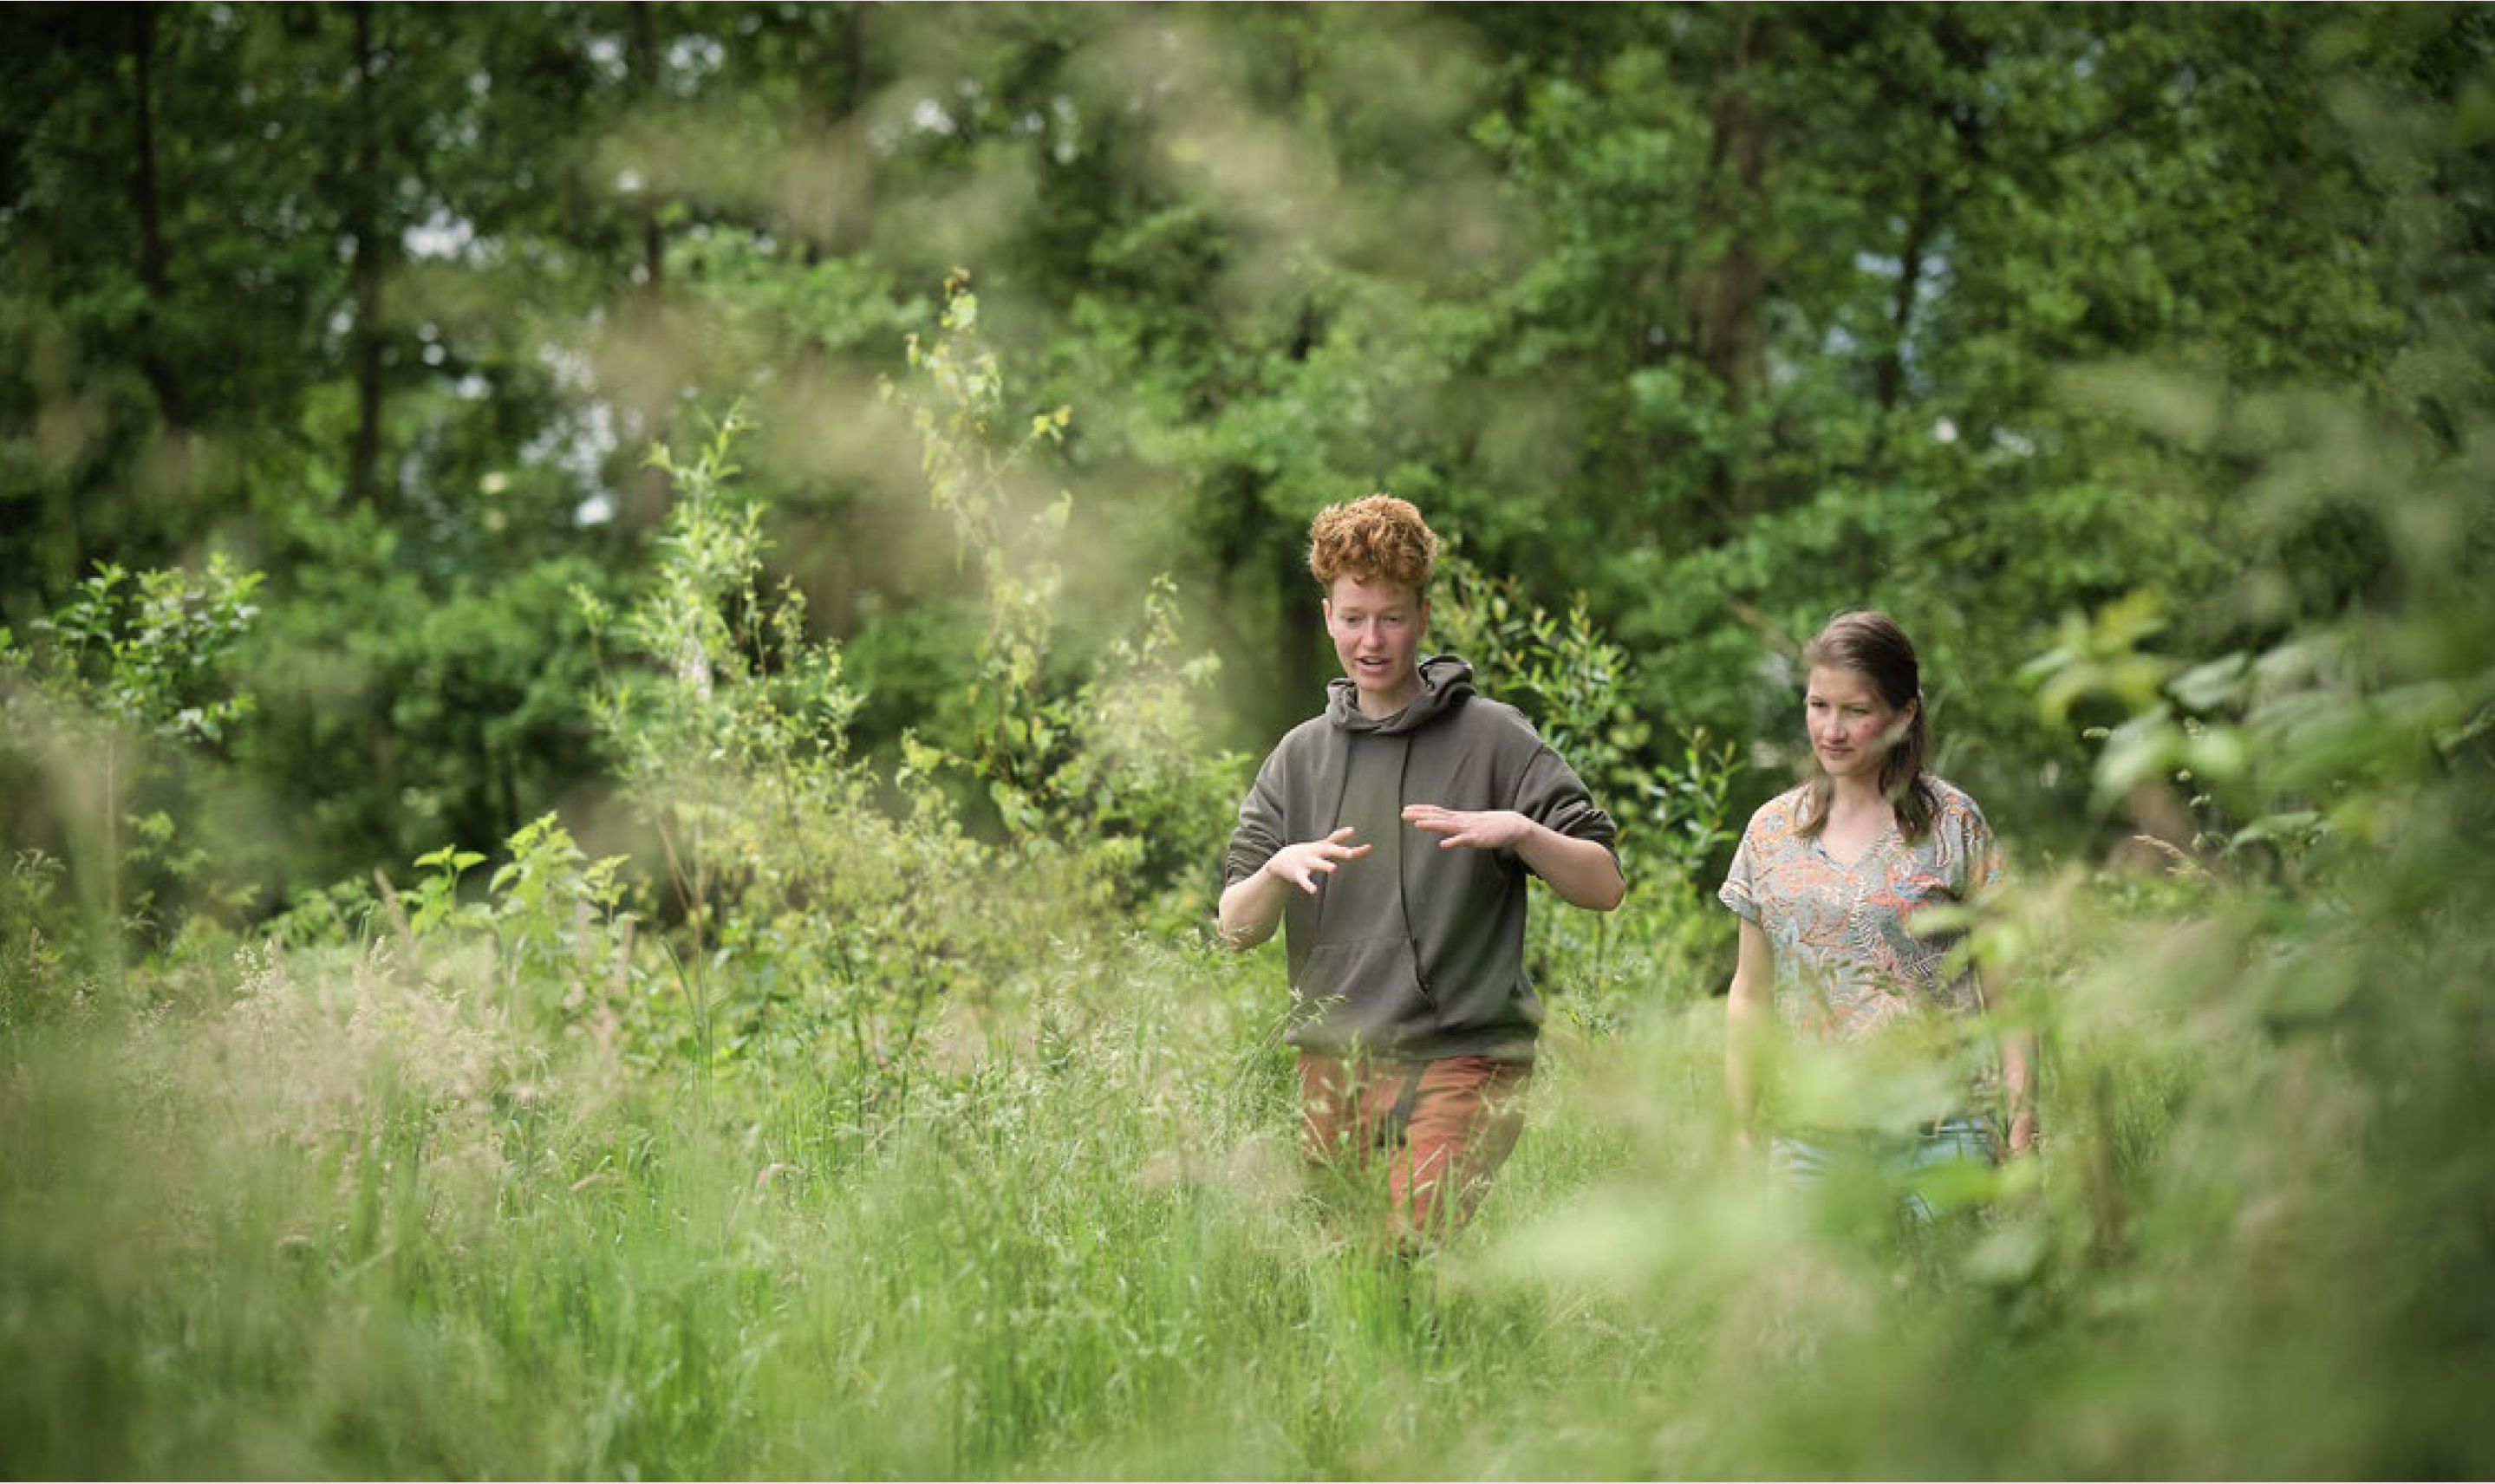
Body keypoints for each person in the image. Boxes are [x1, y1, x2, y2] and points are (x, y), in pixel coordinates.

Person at [1218, 493, 1625, 1245]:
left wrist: (1524, 831)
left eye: (1392, 617)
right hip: (1335, 1063)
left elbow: (1603, 884)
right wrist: (1277, 869)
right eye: (1353, 617)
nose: (1371, 640)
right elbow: (1235, 928)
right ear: (1327, 616)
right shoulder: (1299, 757)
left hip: (1467, 1054)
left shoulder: (1496, 739)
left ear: (1424, 616)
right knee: (1339, 1273)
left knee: (1402, 1245)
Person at [1720, 610, 2036, 1227]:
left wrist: (2022, 1123)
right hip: (1810, 1137)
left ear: (1904, 714)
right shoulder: (1770, 831)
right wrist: (1739, 1127)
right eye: (1818, 706)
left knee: (1947, 1313)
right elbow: (1749, 992)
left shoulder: (1956, 824)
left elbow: (2008, 991)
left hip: (1944, 1130)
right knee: (1816, 1313)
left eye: (1856, 711)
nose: (1831, 731)